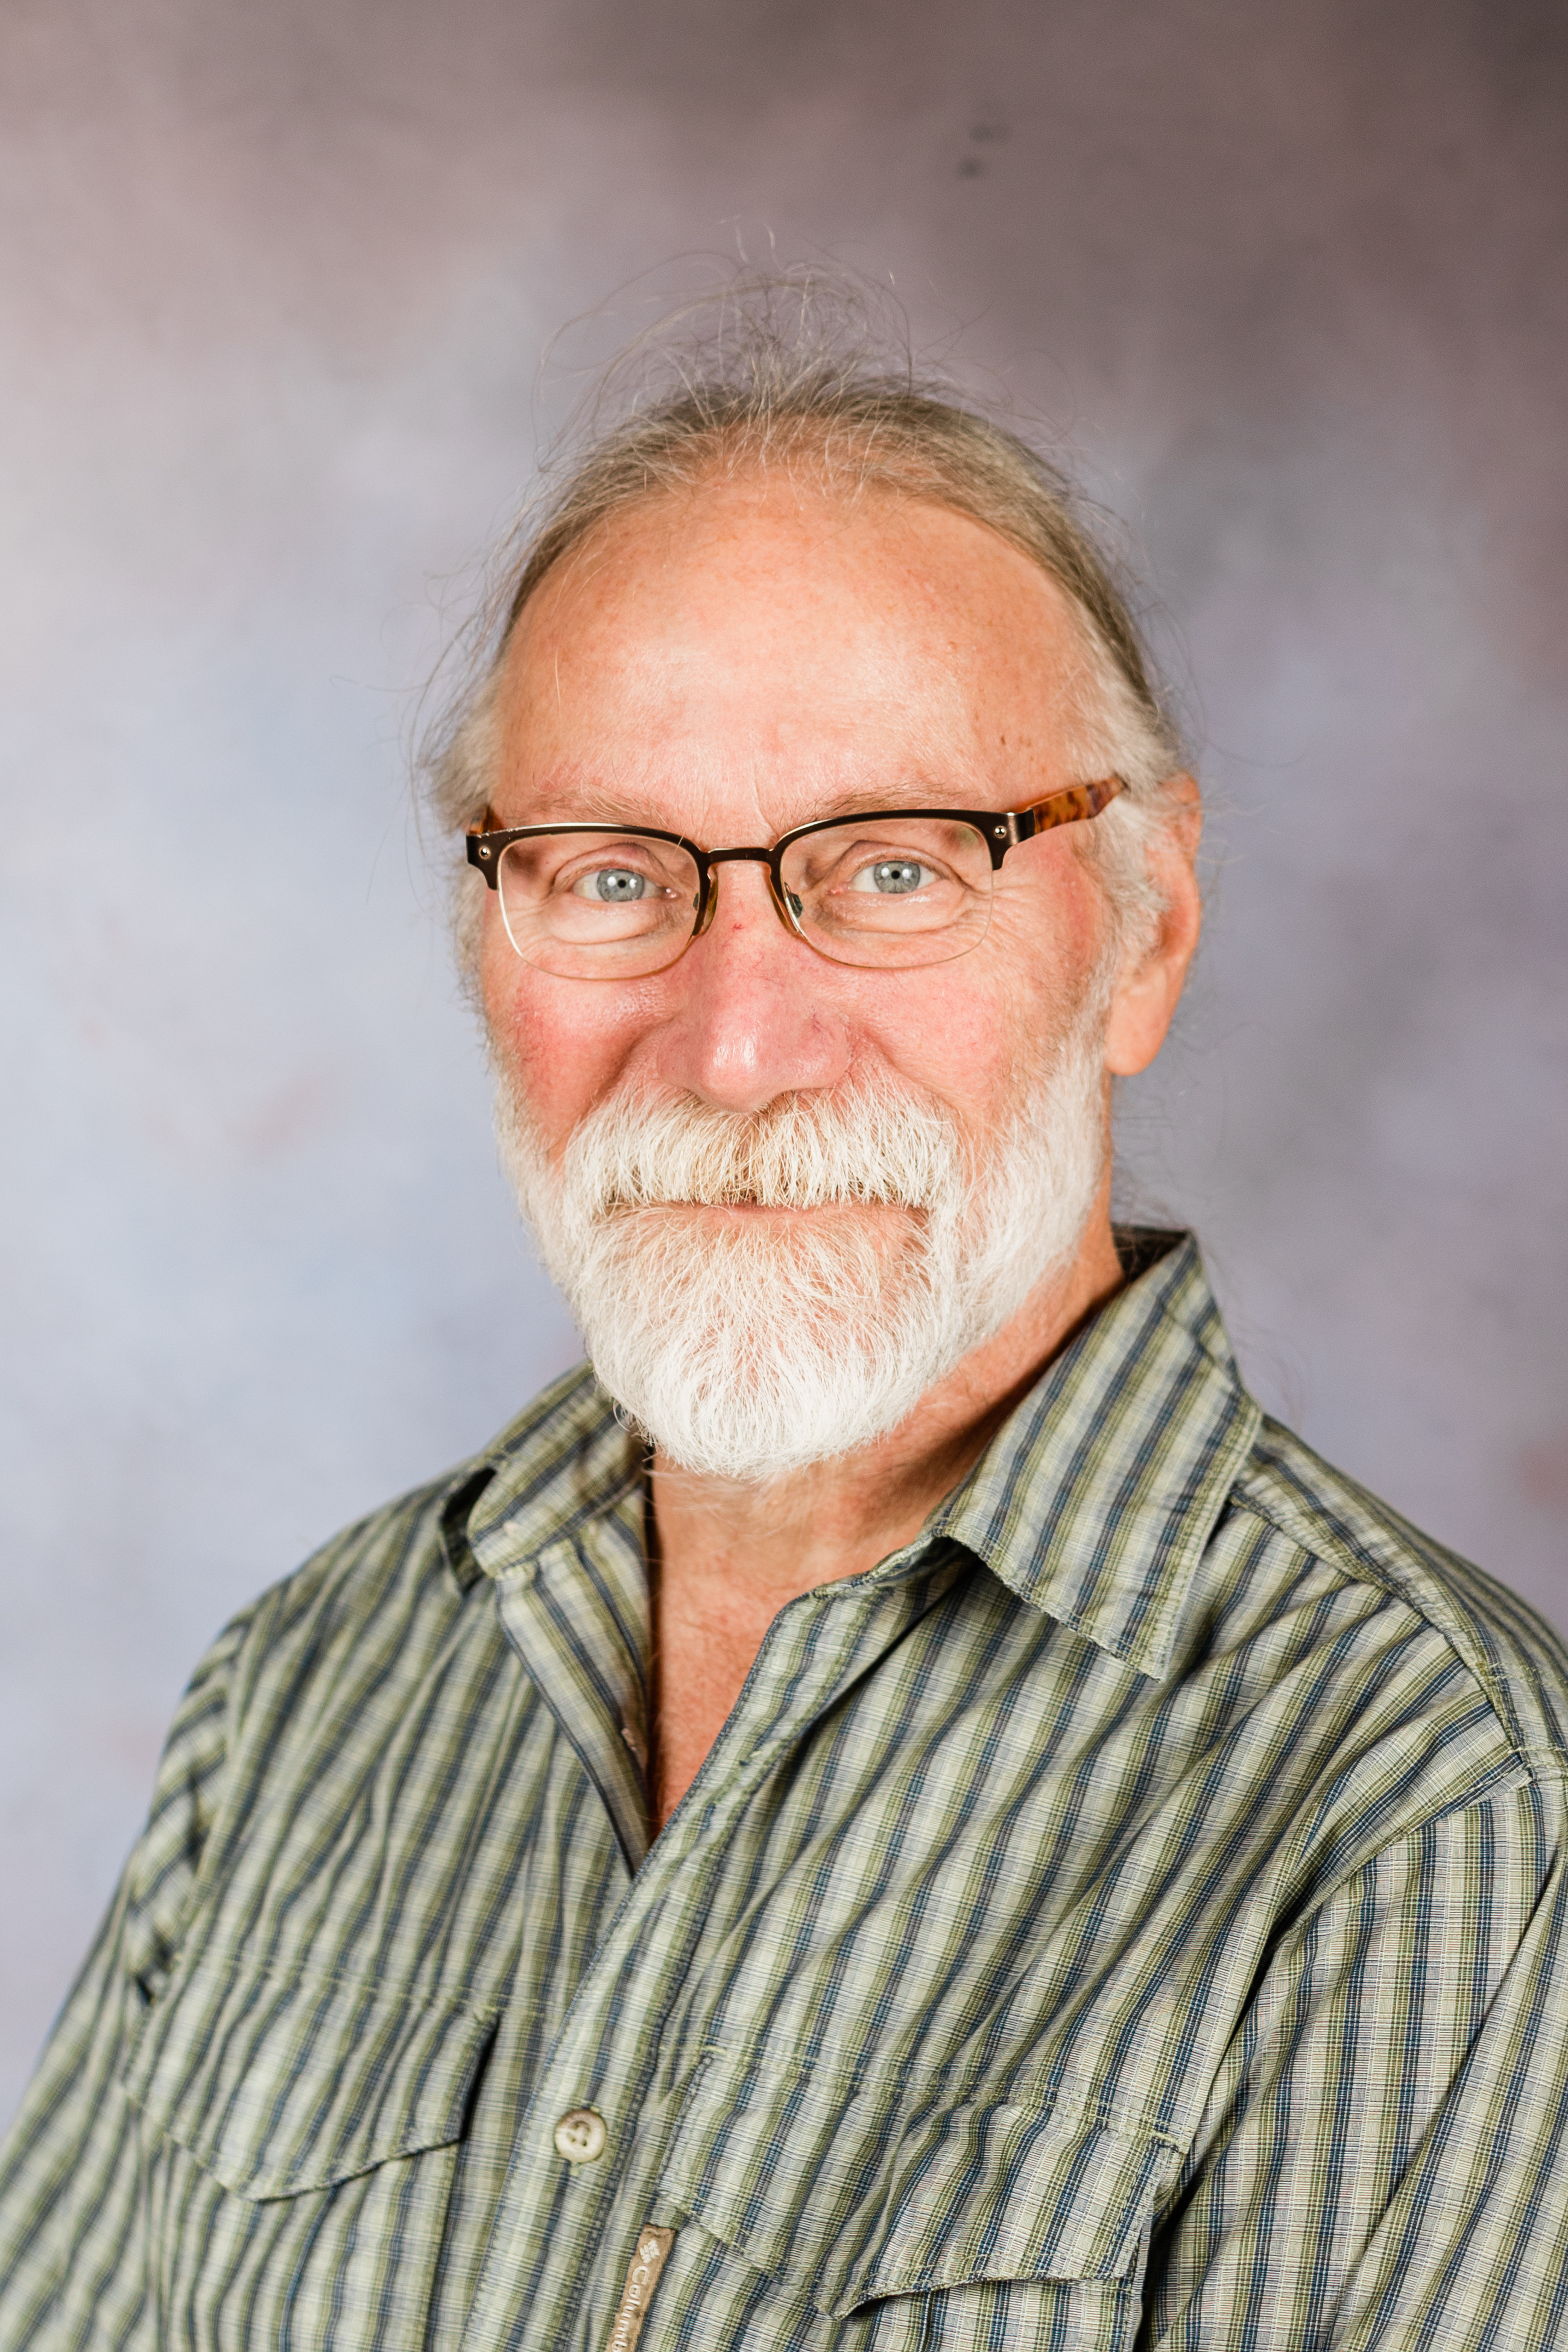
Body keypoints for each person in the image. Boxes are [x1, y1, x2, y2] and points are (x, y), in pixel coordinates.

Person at [4, 288, 1567, 2352]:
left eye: (899, 869)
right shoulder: (303, 1700)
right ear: (486, 932)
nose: (737, 1045)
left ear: (1144, 931)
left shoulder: (1443, 1815)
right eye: (613, 876)